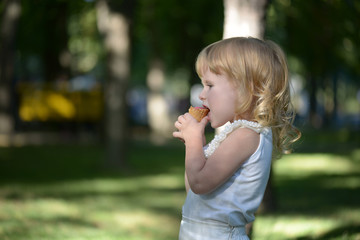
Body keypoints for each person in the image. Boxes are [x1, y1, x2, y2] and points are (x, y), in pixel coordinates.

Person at [173, 37, 301, 240]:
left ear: (245, 88)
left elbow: (199, 183)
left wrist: (194, 141)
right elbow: (194, 192)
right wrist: (197, 147)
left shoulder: (246, 135)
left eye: (210, 85)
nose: (202, 95)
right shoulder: (236, 133)